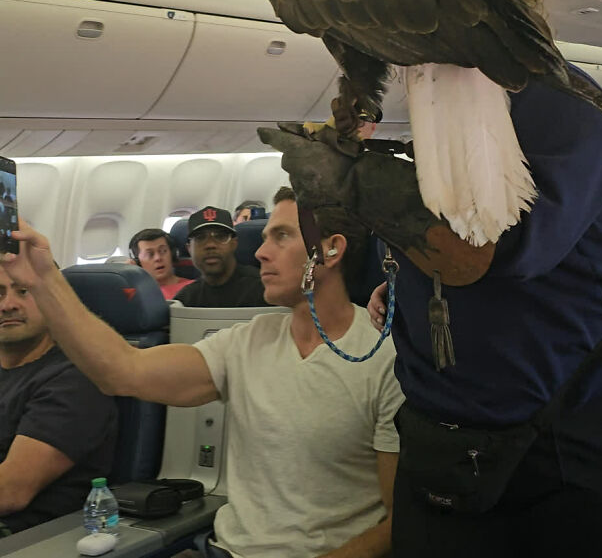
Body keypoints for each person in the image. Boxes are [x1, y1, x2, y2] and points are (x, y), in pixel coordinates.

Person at [362, 72, 602, 558]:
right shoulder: (438, 97)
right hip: (443, 435)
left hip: (579, 430)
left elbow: (506, 246)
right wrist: (405, 286)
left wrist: (359, 183)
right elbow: (443, 229)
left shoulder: (564, 99)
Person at [0, 190, 404, 558]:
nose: (260, 253)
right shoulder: (248, 342)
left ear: (330, 251)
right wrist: (43, 279)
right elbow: (123, 372)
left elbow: (396, 524)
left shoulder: (384, 360)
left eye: (280, 237)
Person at [0, 266, 117, 535]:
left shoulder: (76, 379)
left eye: (23, 291)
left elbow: (10, 492)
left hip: (27, 537)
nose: (8, 305)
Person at [173, 207, 266, 307]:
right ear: (189, 248)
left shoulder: (263, 288)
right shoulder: (185, 300)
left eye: (220, 236)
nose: (210, 245)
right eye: (200, 238)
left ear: (234, 243)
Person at [129, 228, 194, 300]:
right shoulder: (136, 292)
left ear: (172, 254)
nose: (158, 258)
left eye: (163, 251)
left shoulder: (192, 288)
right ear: (138, 262)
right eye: (150, 254)